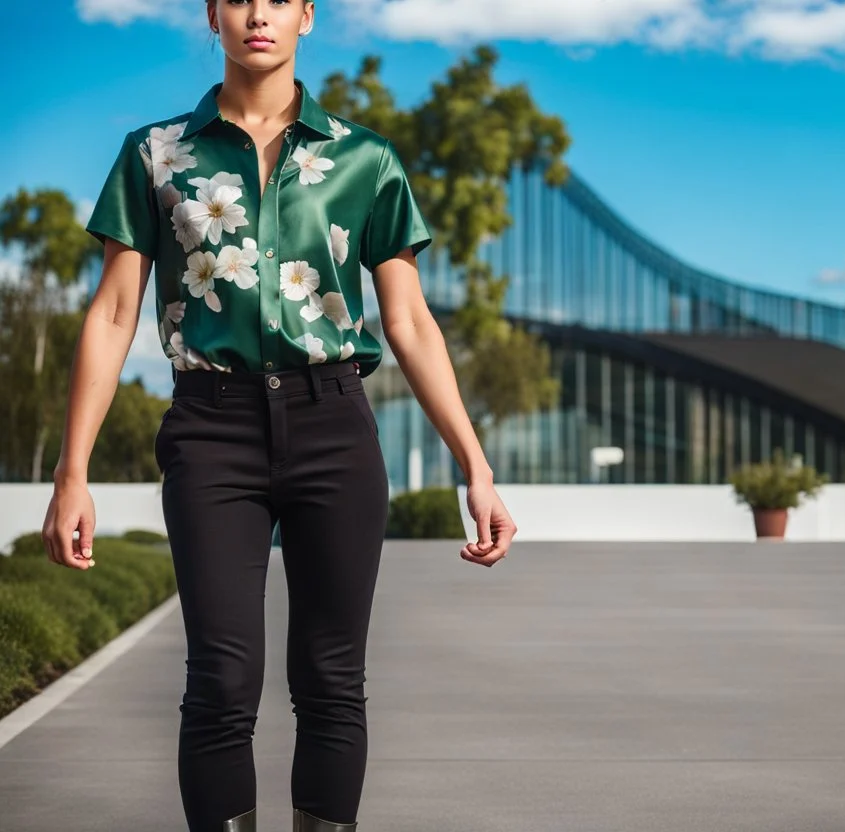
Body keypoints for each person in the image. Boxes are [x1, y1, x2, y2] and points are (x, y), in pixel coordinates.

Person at [40, 1, 518, 829]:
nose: (258, 13)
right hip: (209, 429)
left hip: (333, 424)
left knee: (333, 680)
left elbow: (407, 322)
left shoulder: (365, 159)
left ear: (306, 17)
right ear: (213, 17)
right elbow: (114, 315)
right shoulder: (155, 155)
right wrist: (71, 471)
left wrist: (474, 467)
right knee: (220, 680)